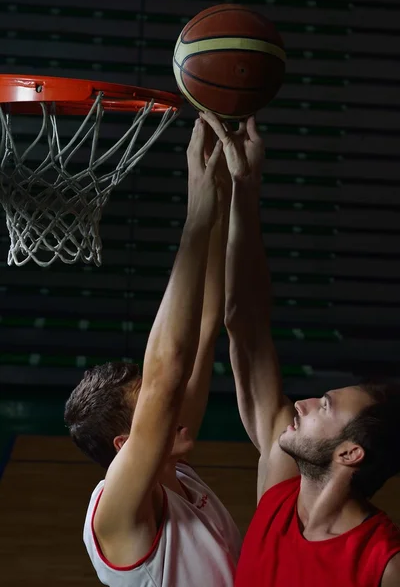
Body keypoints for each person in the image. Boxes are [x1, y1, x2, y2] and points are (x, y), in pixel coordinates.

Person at [200, 110, 400, 587]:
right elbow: (243, 324)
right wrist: (244, 189)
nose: (304, 403)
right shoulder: (282, 491)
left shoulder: (384, 563)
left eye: (324, 406)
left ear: (350, 453)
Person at [64, 117, 242, 587]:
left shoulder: (177, 470)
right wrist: (195, 218)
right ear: (124, 446)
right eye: (151, 407)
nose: (174, 399)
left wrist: (221, 193)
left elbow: (205, 329)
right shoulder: (115, 512)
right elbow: (166, 374)